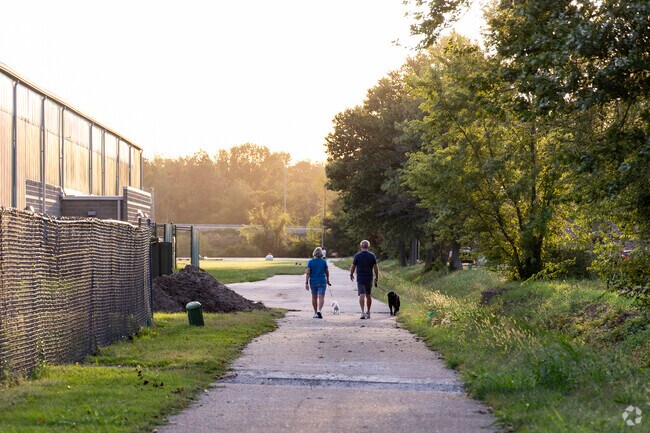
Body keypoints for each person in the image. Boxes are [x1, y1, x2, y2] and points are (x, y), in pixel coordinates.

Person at [349, 240, 379, 319]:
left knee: (362, 294)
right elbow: (375, 267)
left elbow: (353, 266)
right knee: (368, 295)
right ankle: (368, 312)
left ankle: (362, 312)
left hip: (360, 277)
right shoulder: (372, 256)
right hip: (369, 277)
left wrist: (351, 274)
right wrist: (377, 276)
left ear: (361, 246)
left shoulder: (357, 256)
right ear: (368, 246)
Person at [305, 247, 330, 319]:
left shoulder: (310, 262)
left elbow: (308, 273)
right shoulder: (323, 262)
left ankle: (315, 312)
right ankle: (320, 310)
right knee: (321, 297)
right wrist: (328, 280)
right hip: (322, 281)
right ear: (321, 254)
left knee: (314, 297)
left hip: (313, 282)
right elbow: (327, 272)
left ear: (314, 253)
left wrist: (306, 283)